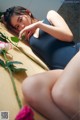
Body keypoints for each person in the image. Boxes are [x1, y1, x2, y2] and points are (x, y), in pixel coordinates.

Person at [2, 6, 80, 120]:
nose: (22, 26)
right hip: (64, 71)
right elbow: (13, 38)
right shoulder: (30, 40)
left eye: (20, 20)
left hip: (76, 54)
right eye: (17, 27)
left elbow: (68, 36)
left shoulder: (49, 16)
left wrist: (39, 25)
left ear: (27, 13)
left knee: (60, 92)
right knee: (30, 86)